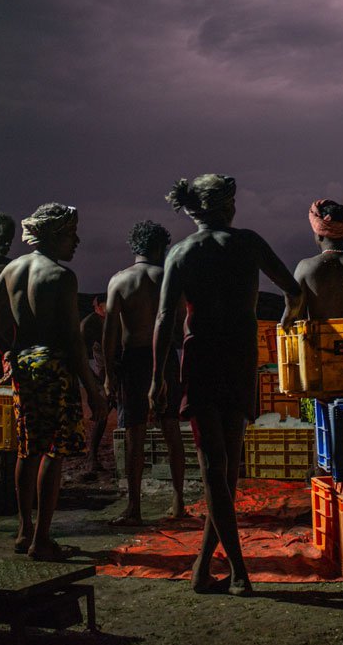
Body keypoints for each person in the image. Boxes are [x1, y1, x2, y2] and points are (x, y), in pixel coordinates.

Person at [151, 174, 304, 595]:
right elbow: (293, 290)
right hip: (239, 361)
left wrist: (156, 377)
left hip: (200, 363)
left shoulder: (182, 252)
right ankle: (234, 570)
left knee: (215, 471)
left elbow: (165, 319)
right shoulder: (249, 243)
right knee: (226, 472)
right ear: (228, 207)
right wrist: (289, 316)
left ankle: (208, 568)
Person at [0, 203, 107, 560]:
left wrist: (6, 350)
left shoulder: (14, 268)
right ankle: (42, 540)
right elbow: (74, 342)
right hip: (53, 366)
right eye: (70, 235)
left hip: (23, 362)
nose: (76, 241)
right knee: (54, 450)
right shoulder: (61, 277)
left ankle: (24, 531)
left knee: (28, 448)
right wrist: (93, 389)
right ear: (53, 236)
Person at [104, 220, 188, 525]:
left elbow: (110, 331)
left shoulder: (120, 281)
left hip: (133, 360)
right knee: (171, 430)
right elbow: (180, 323)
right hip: (166, 357)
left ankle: (134, 507)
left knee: (134, 434)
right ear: (159, 247)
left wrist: (108, 373)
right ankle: (178, 502)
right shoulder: (170, 278)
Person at [80, 295, 113, 475]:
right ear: (98, 307)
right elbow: (80, 356)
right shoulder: (90, 324)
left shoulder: (117, 316)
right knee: (102, 411)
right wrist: (94, 382)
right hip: (102, 374)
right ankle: (91, 457)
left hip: (120, 368)